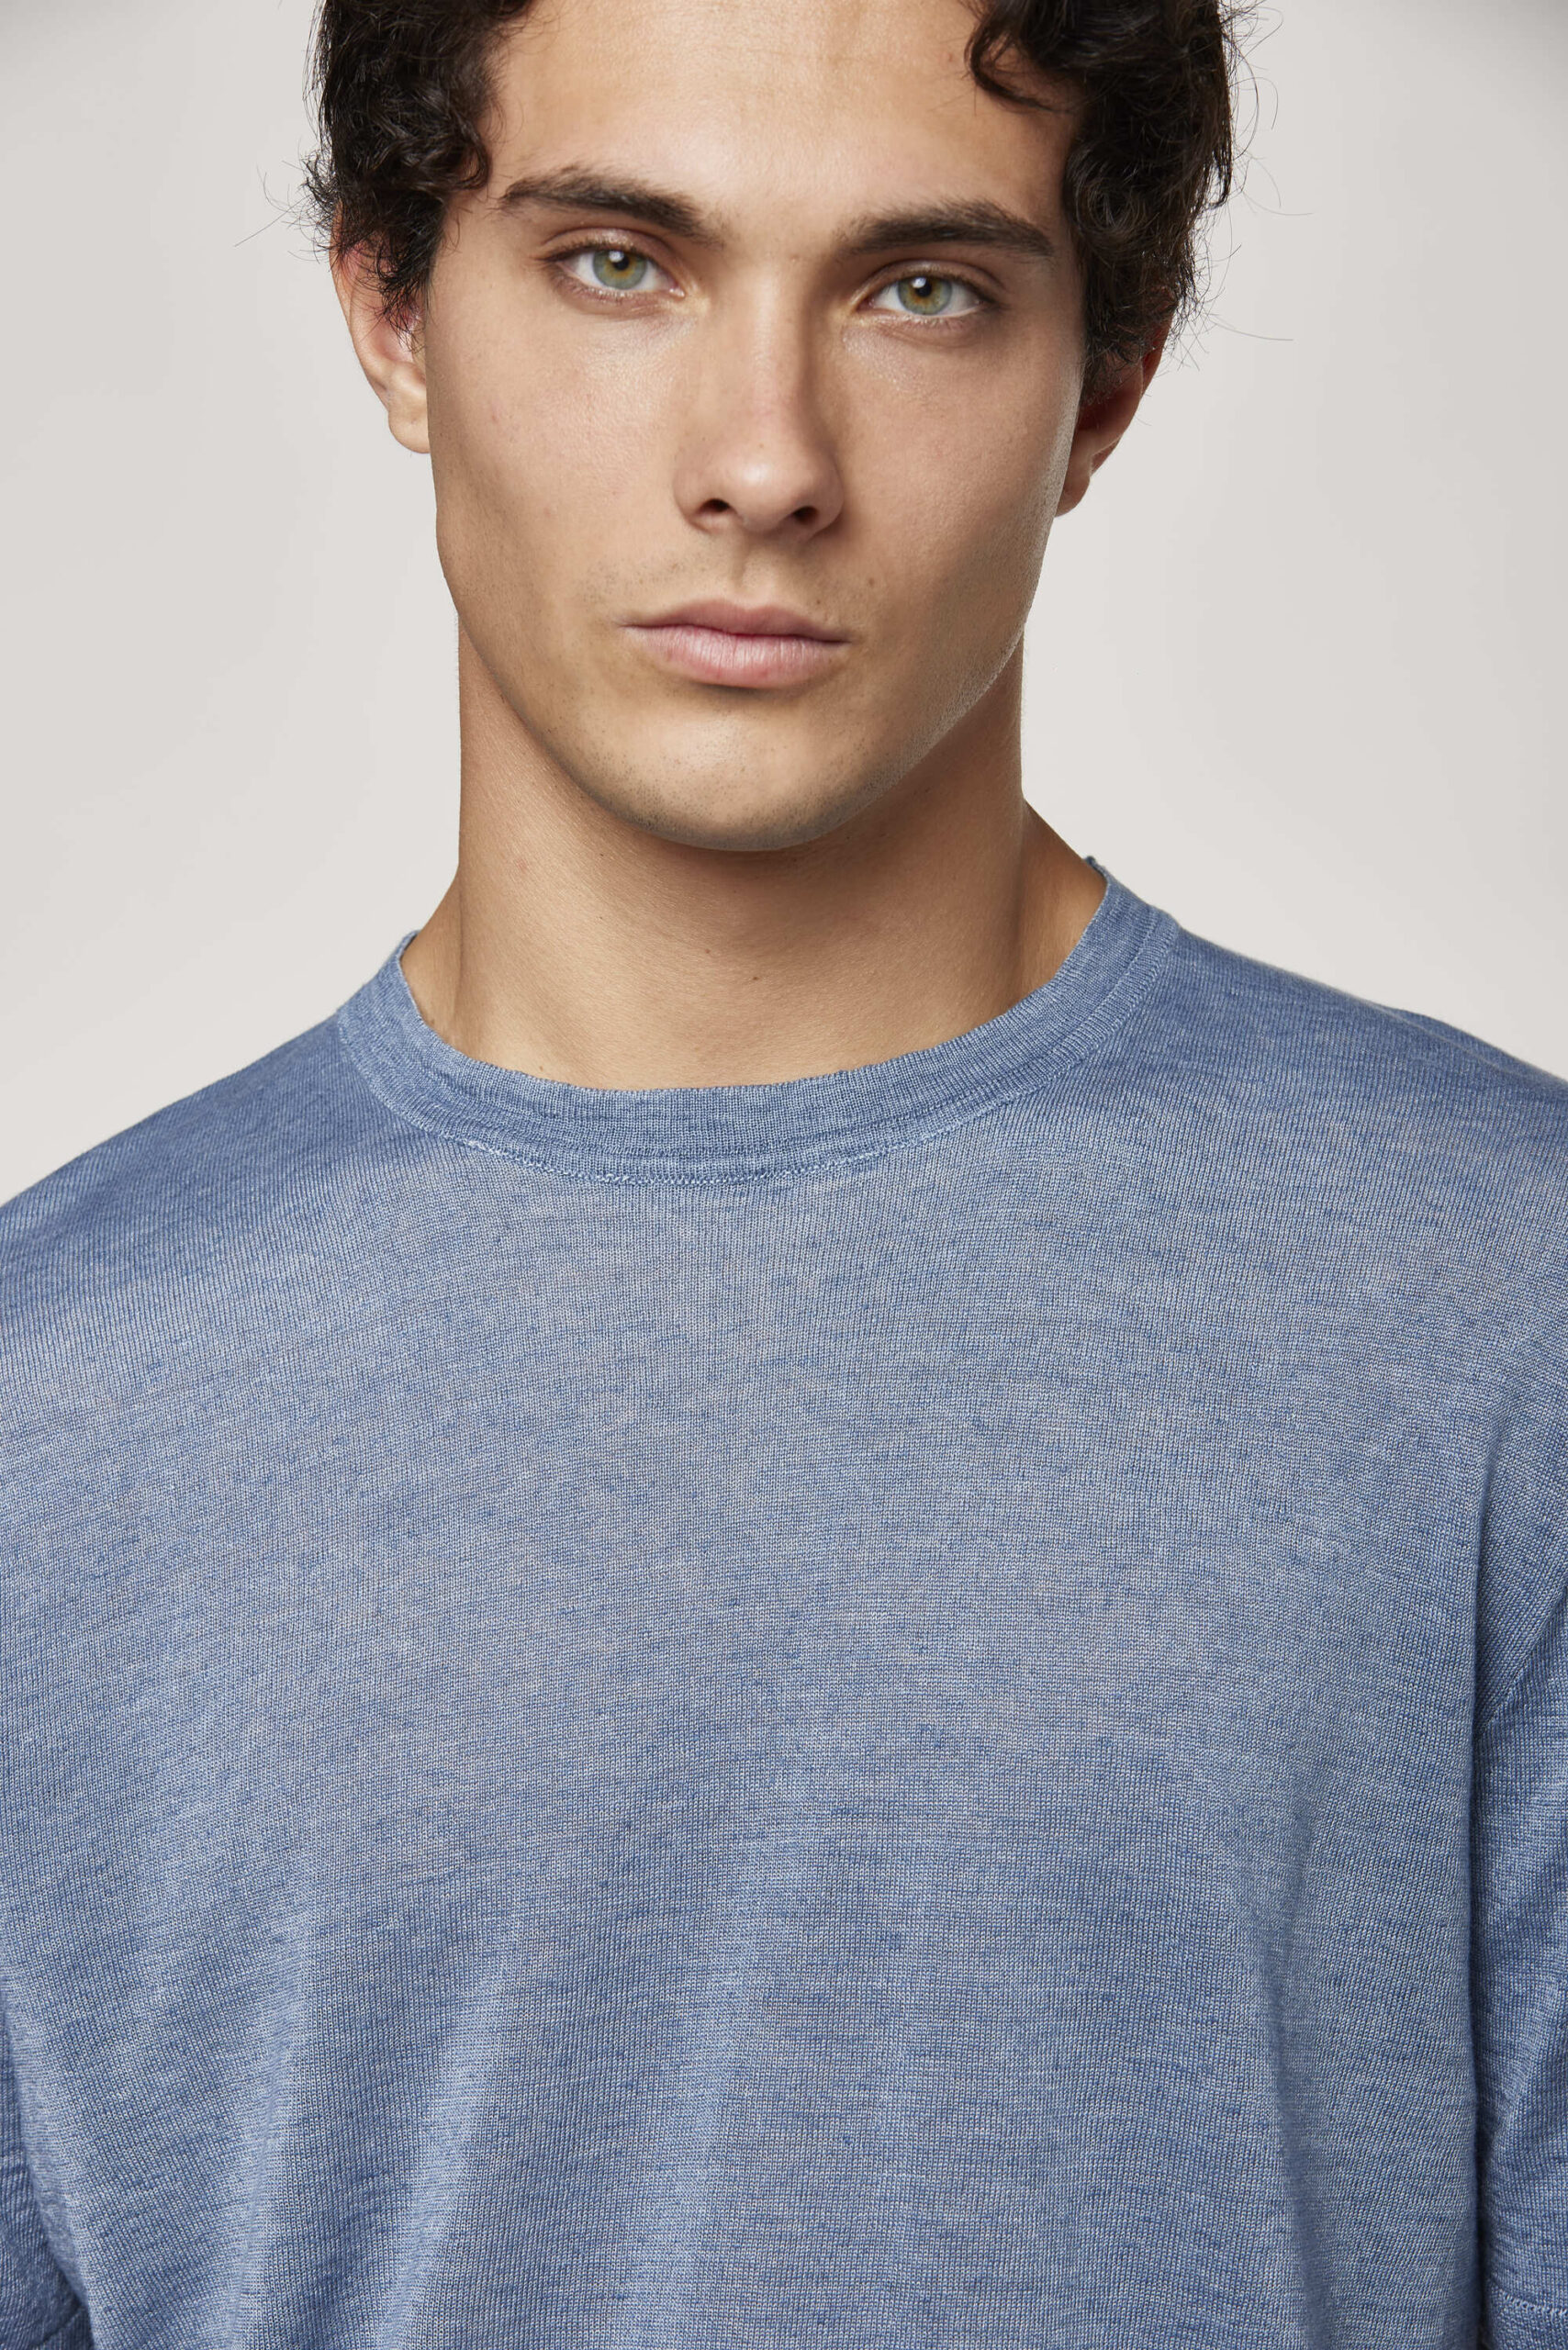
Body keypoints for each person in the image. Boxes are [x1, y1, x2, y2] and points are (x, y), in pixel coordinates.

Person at [1, 0, 1562, 2340]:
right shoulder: (45, 1416)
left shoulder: (1502, 1310)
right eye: (618, 262)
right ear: (391, 309)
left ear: (1105, 383)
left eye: (920, 288)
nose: (762, 460)